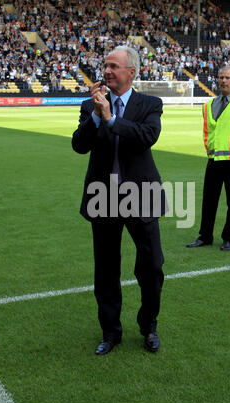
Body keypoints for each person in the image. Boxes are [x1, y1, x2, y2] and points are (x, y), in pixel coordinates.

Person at [72, 46, 166, 355]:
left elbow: (147, 136)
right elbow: (78, 145)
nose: (107, 70)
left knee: (151, 267)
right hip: (103, 198)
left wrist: (111, 119)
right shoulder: (90, 106)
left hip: (142, 196)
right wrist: (98, 119)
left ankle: (148, 326)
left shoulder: (150, 104)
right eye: (105, 65)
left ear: (132, 73)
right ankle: (110, 332)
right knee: (106, 269)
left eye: (114, 66)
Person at [186, 65, 230, 251]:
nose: (223, 81)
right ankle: (205, 236)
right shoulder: (209, 105)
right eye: (221, 77)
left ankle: (228, 238)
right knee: (209, 200)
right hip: (214, 161)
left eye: (227, 77)